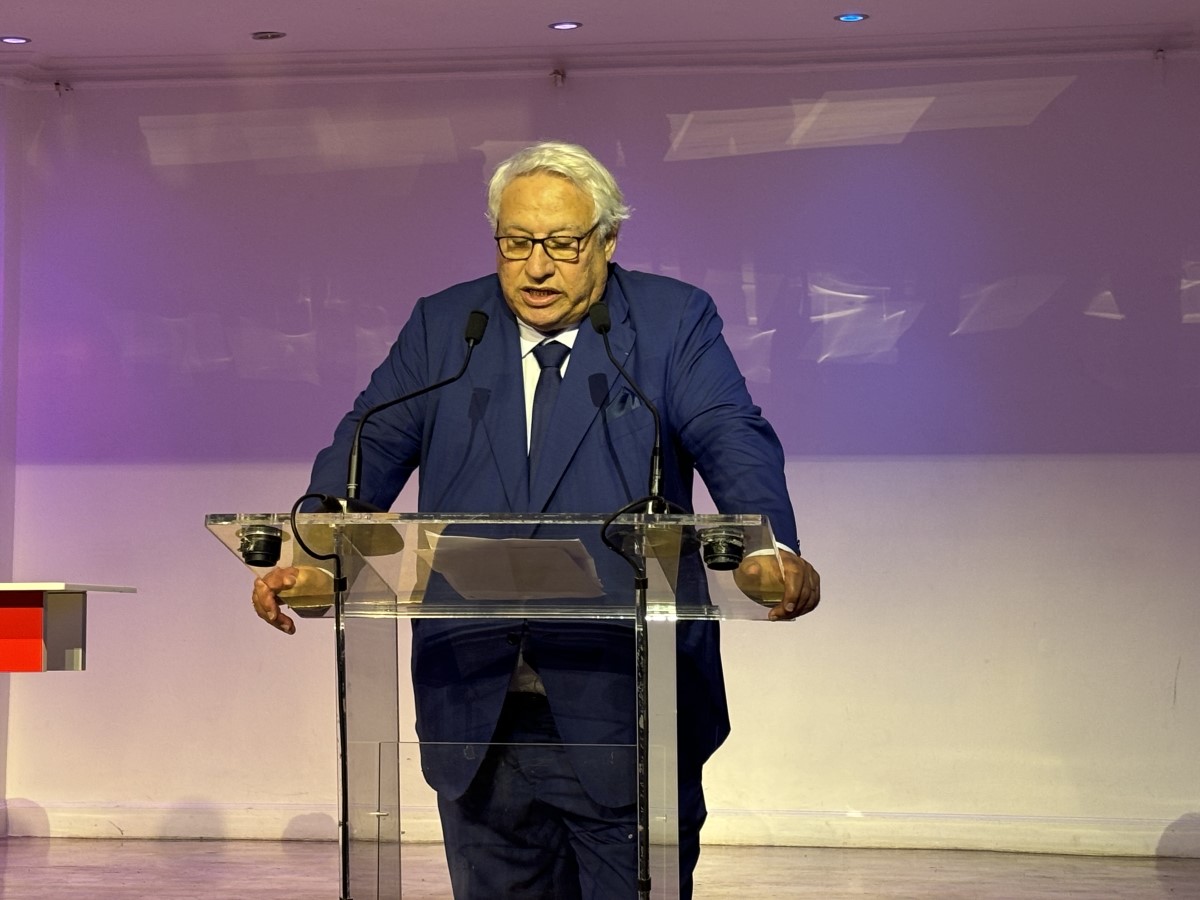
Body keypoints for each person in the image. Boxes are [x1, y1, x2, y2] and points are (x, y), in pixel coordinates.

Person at [251, 141, 820, 899]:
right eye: (516, 243)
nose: (537, 267)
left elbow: (730, 432)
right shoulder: (448, 327)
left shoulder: (671, 321)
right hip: (476, 706)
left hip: (625, 701)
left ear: (608, 241)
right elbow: (368, 443)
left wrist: (772, 544)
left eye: (562, 244)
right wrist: (318, 554)